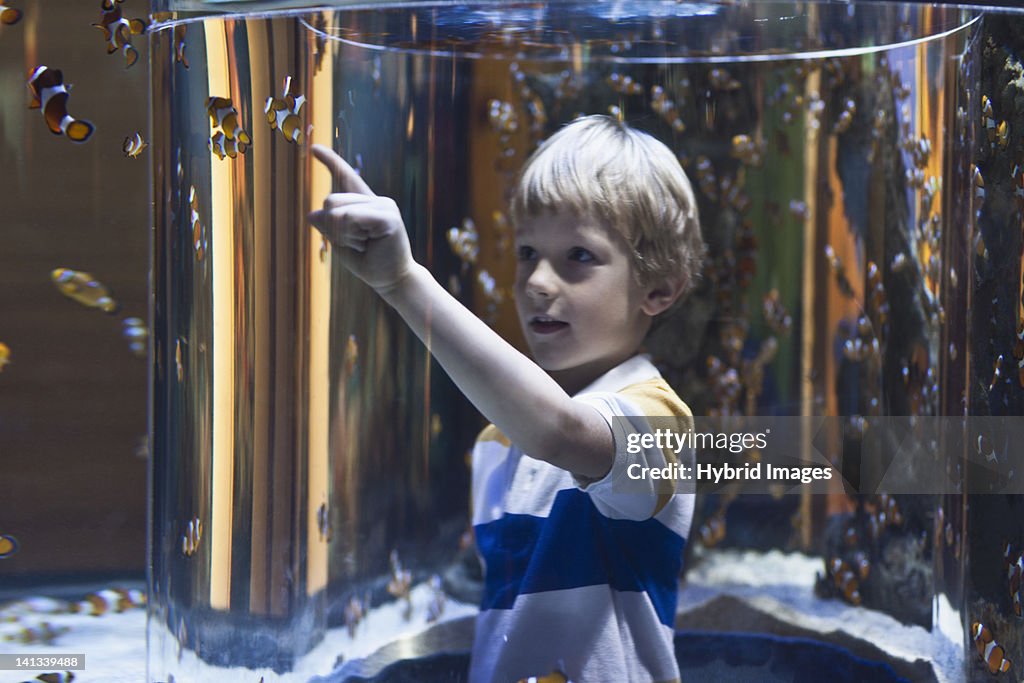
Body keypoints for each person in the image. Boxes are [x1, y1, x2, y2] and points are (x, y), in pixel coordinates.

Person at [308, 114, 705, 683]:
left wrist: (402, 283)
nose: (538, 281)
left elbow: (561, 432)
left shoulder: (659, 422)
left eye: (579, 256)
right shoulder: (497, 441)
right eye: (526, 252)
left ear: (659, 286)